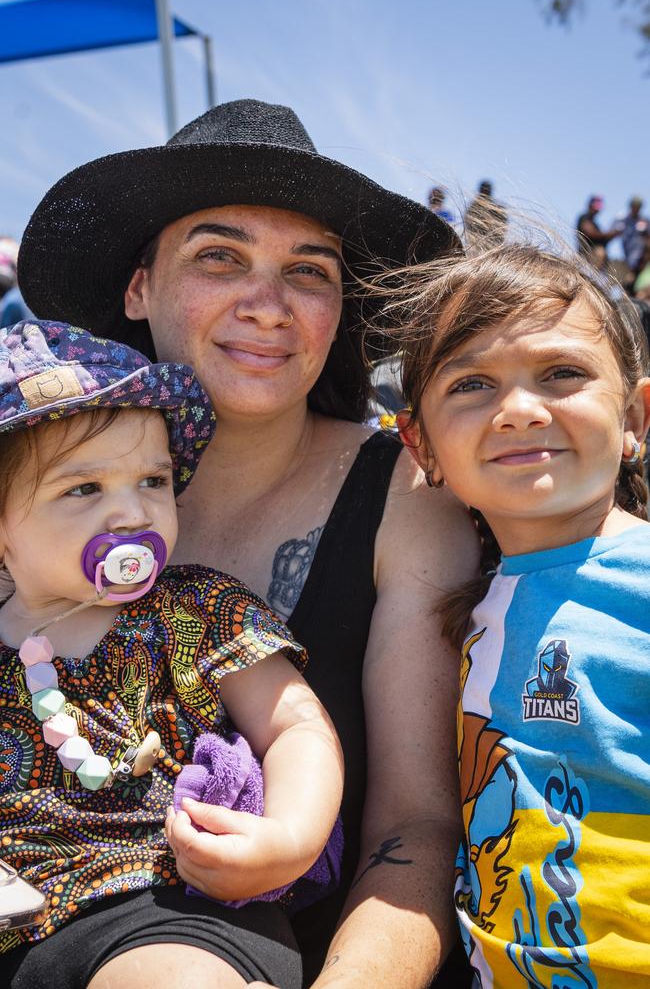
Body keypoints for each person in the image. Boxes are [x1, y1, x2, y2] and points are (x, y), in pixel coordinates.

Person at [18, 99, 478, 988]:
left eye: (309, 271)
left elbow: (414, 826)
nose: (267, 306)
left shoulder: (409, 500)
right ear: (138, 285)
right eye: (219, 256)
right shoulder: (24, 491)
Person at [0, 319, 343, 989]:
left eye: (153, 482)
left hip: (166, 902)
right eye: (84, 489)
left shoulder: (195, 612)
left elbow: (297, 727)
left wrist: (288, 839)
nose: (133, 514)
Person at [389, 242, 650, 986]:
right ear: (423, 447)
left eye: (562, 373)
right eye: (471, 383)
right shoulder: (470, 608)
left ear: (636, 416)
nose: (519, 412)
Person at [575, 194, 622, 264]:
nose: (596, 211)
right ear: (590, 205)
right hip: (585, 255)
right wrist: (610, 234)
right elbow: (591, 233)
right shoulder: (584, 218)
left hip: (593, 259)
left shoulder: (596, 224)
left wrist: (613, 235)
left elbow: (602, 239)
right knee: (600, 252)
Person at [463, 180, 507, 247]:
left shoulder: (497, 208)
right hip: (477, 243)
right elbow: (469, 226)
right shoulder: (473, 207)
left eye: (486, 190)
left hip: (490, 243)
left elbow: (502, 228)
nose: (486, 193)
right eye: (485, 190)